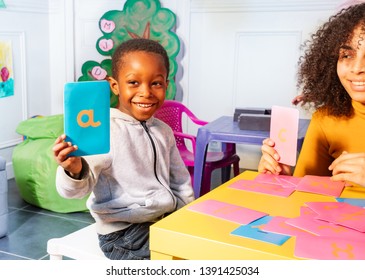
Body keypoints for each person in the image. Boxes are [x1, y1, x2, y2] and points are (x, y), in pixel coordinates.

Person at [53, 38, 195, 260]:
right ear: (115, 85)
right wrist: (73, 170)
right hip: (124, 234)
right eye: (134, 83)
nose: (146, 92)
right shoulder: (104, 130)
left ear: (166, 85)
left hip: (163, 220)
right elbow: (73, 191)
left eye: (156, 83)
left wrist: (185, 217)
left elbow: (180, 181)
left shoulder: (164, 130)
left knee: (204, 247)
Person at [258, 3, 365, 188]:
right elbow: (304, 198)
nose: (356, 69)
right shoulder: (325, 121)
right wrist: (281, 179)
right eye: (347, 55)